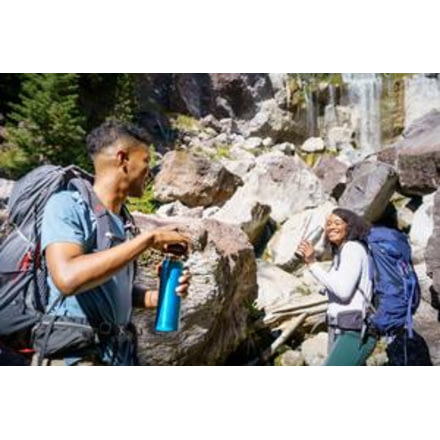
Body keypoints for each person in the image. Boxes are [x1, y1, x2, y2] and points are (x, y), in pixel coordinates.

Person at [32, 120, 191, 366]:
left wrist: (157, 296)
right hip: (76, 355)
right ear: (122, 158)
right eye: (146, 161)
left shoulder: (122, 221)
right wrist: (148, 239)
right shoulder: (67, 205)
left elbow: (111, 289)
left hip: (118, 354)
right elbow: (67, 278)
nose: (150, 171)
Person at [296, 208, 377, 366]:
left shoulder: (352, 249)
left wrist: (312, 263)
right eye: (328, 224)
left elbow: (343, 291)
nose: (331, 227)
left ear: (349, 227)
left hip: (353, 331)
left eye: (337, 223)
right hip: (340, 327)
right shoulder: (341, 253)